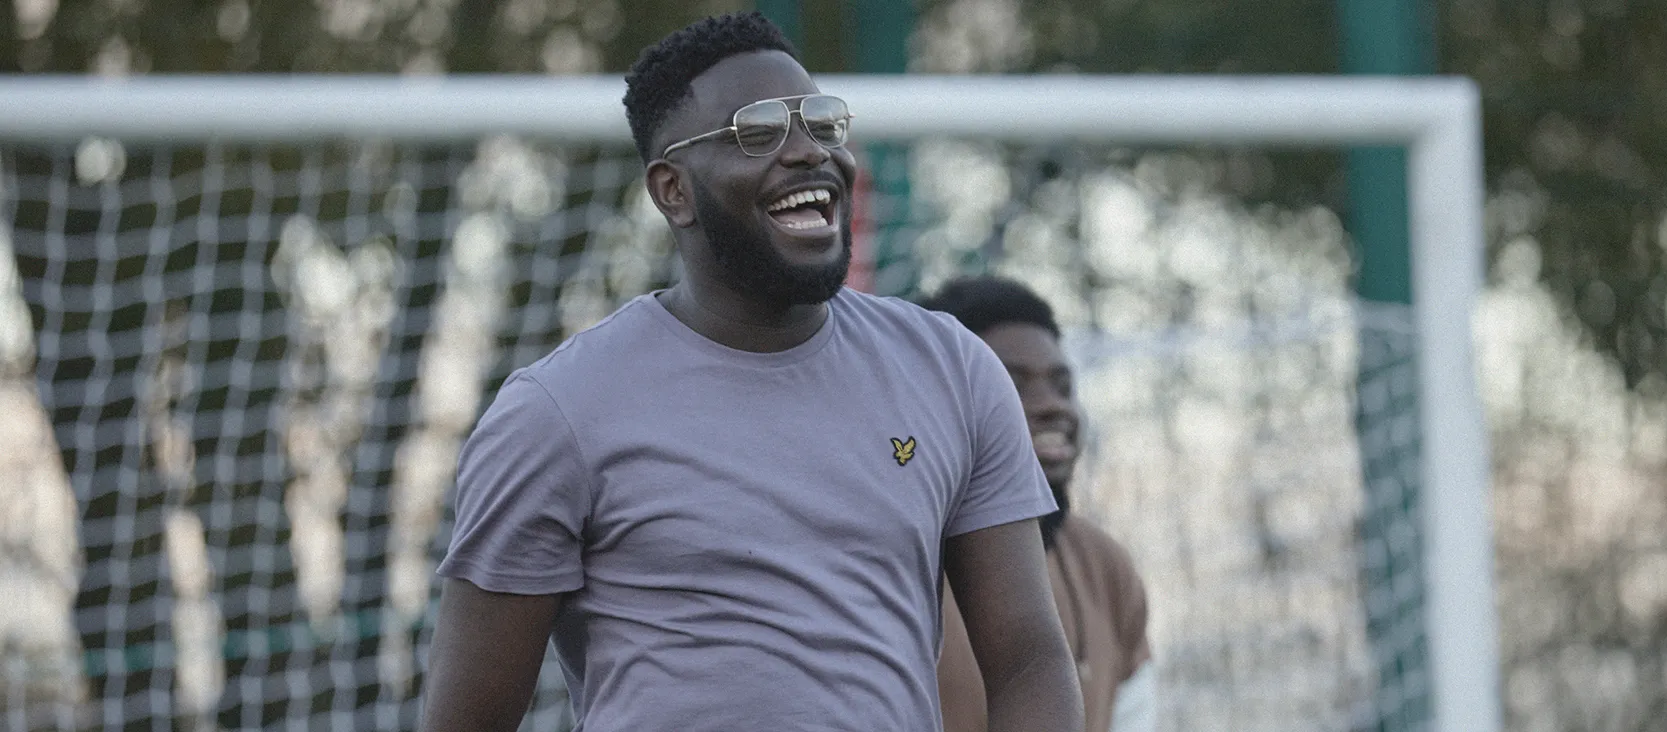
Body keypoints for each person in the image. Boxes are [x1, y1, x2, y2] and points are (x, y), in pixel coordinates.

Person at [419, 13, 1083, 732]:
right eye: (757, 133)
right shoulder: (556, 413)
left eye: (823, 124)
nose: (809, 153)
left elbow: (1029, 659)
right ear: (673, 191)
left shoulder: (951, 370)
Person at [920, 277, 1156, 732]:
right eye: (1012, 385)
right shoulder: (895, 555)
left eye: (1062, 386)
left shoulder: (1105, 564)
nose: (1055, 407)